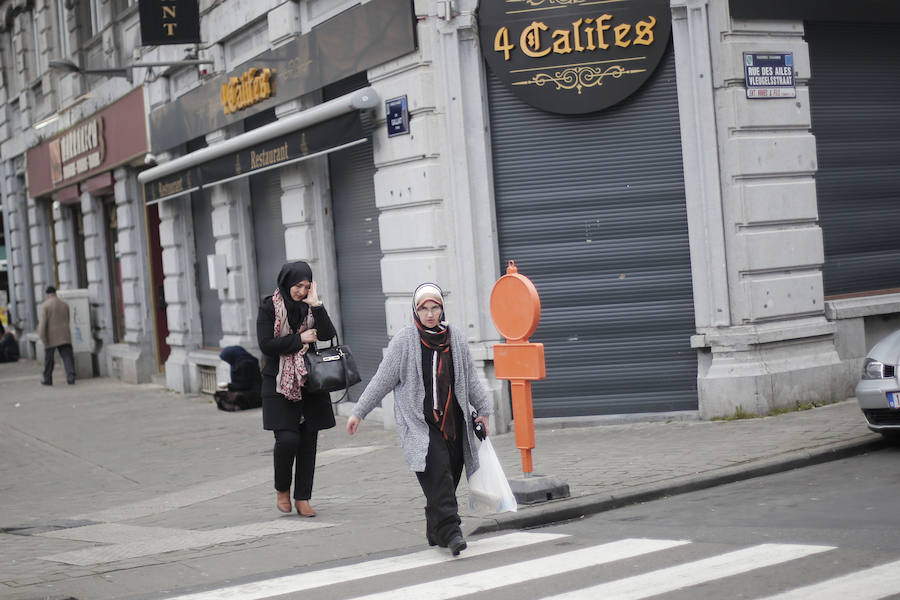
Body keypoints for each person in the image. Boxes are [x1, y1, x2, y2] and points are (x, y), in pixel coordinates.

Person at [346, 282, 492, 556]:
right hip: (421, 426)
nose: (429, 313)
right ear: (415, 310)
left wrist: (484, 410)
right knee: (439, 477)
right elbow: (382, 379)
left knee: (448, 477)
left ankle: (435, 528)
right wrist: (359, 411)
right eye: (423, 308)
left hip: (453, 423)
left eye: (434, 307)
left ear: (441, 309)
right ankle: (451, 531)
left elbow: (471, 377)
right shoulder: (405, 341)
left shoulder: (455, 338)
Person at [257, 261, 337, 517]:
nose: (301, 291)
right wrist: (298, 339)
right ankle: (282, 489)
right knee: (287, 439)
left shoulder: (310, 307)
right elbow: (266, 345)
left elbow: (328, 334)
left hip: (309, 381)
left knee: (308, 442)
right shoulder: (269, 307)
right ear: (286, 282)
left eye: (306, 286)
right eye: (298, 286)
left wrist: (316, 303)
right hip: (279, 382)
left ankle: (303, 497)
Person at [37, 286, 76, 385]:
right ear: (55, 293)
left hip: (50, 338)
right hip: (65, 335)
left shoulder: (46, 306)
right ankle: (71, 377)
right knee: (67, 357)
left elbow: (42, 324)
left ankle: (48, 379)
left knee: (49, 360)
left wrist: (43, 337)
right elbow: (68, 318)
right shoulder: (64, 304)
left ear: (47, 294)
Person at [214, 346, 262, 411]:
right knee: (218, 394)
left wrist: (228, 385)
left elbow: (245, 385)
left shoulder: (247, 363)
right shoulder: (236, 363)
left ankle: (238, 405)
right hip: (242, 389)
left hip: (253, 392)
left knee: (237, 397)